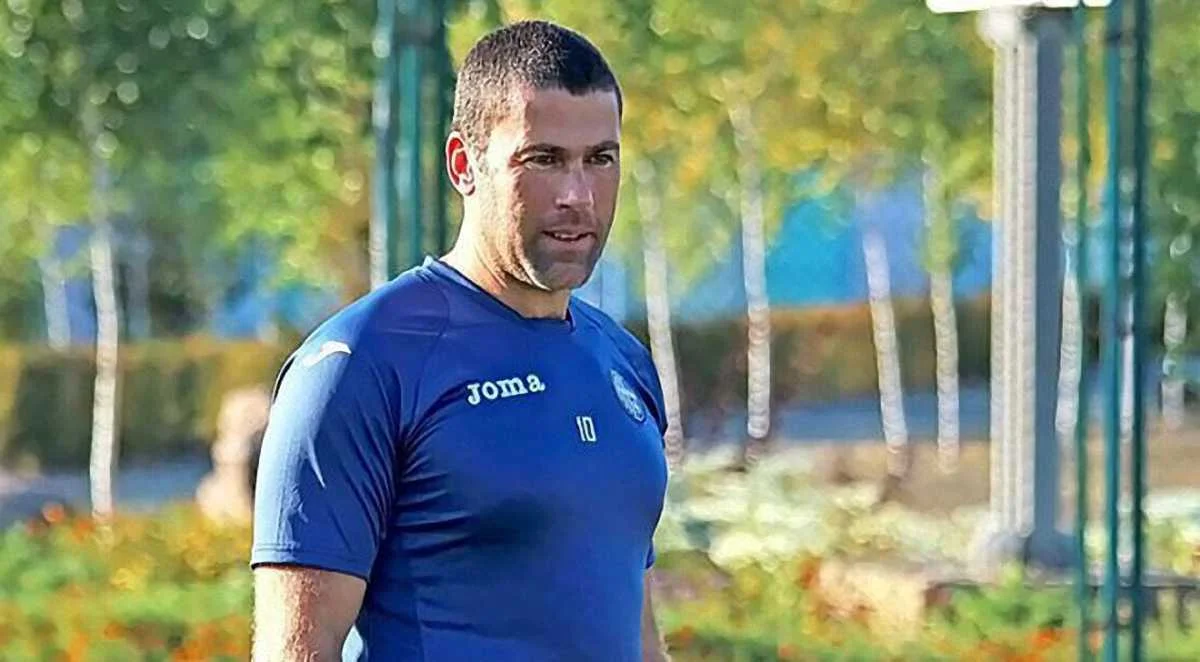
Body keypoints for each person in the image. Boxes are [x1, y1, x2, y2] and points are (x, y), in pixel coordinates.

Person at [250, 19, 672, 662]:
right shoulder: (361, 363)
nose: (578, 195)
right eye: (543, 159)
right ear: (463, 164)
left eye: (600, 159)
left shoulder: (622, 361)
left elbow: (634, 632)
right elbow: (296, 651)